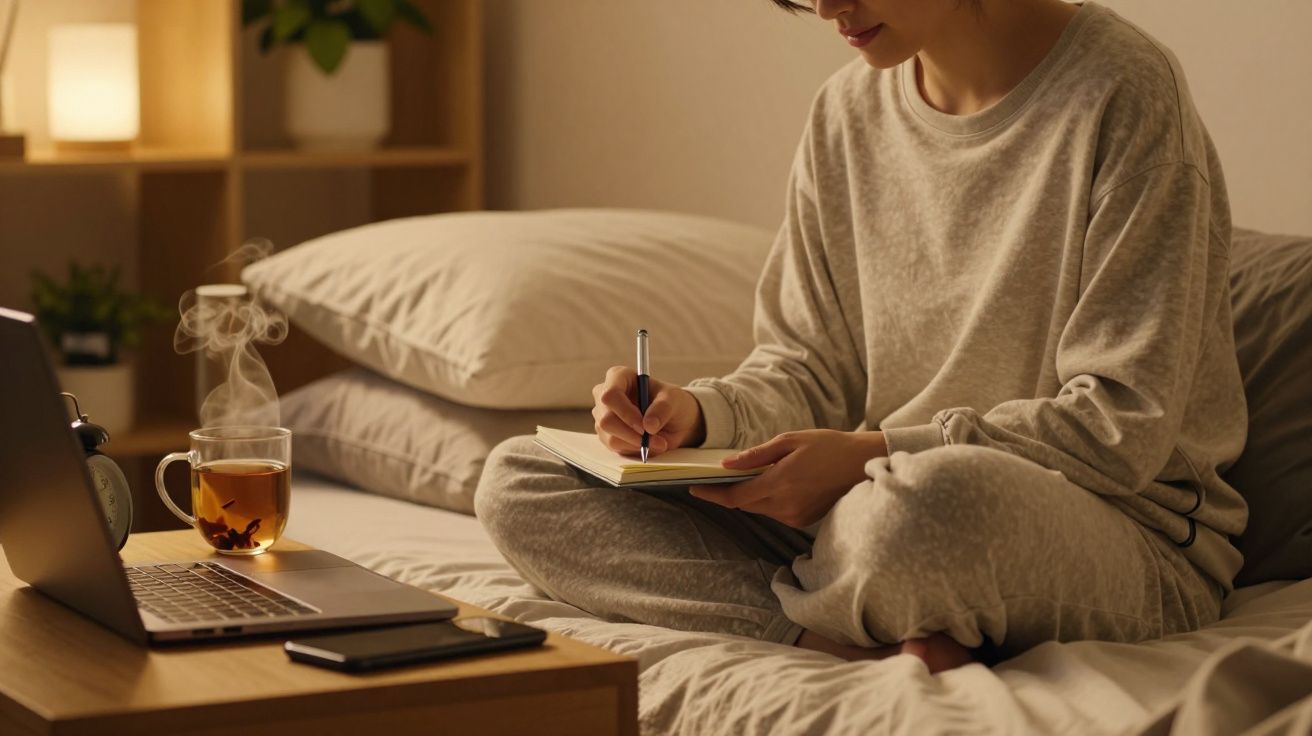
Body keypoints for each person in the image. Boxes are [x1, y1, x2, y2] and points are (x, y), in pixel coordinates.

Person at [476, 0, 1246, 674]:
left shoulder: (1125, 90)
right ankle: (835, 637)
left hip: (1113, 530)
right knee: (521, 477)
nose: (824, 7)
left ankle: (867, 589)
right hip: (867, 510)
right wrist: (698, 417)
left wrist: (877, 455)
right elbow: (806, 367)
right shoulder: (845, 111)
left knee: (921, 511)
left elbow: (1120, 425)